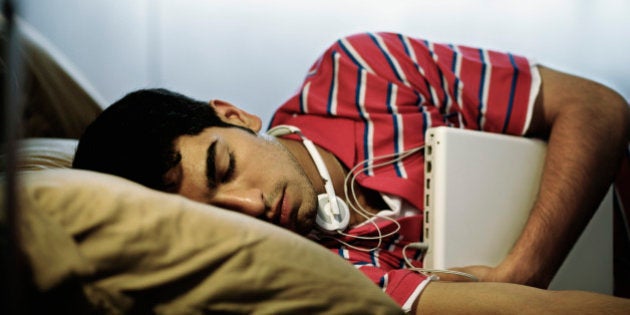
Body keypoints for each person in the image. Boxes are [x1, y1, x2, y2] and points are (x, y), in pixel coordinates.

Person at [73, 32, 630, 313]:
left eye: (226, 168)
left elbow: (597, 107)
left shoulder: (361, 70)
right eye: (218, 218)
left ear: (235, 116)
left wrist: (521, 269)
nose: (250, 208)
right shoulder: (310, 270)